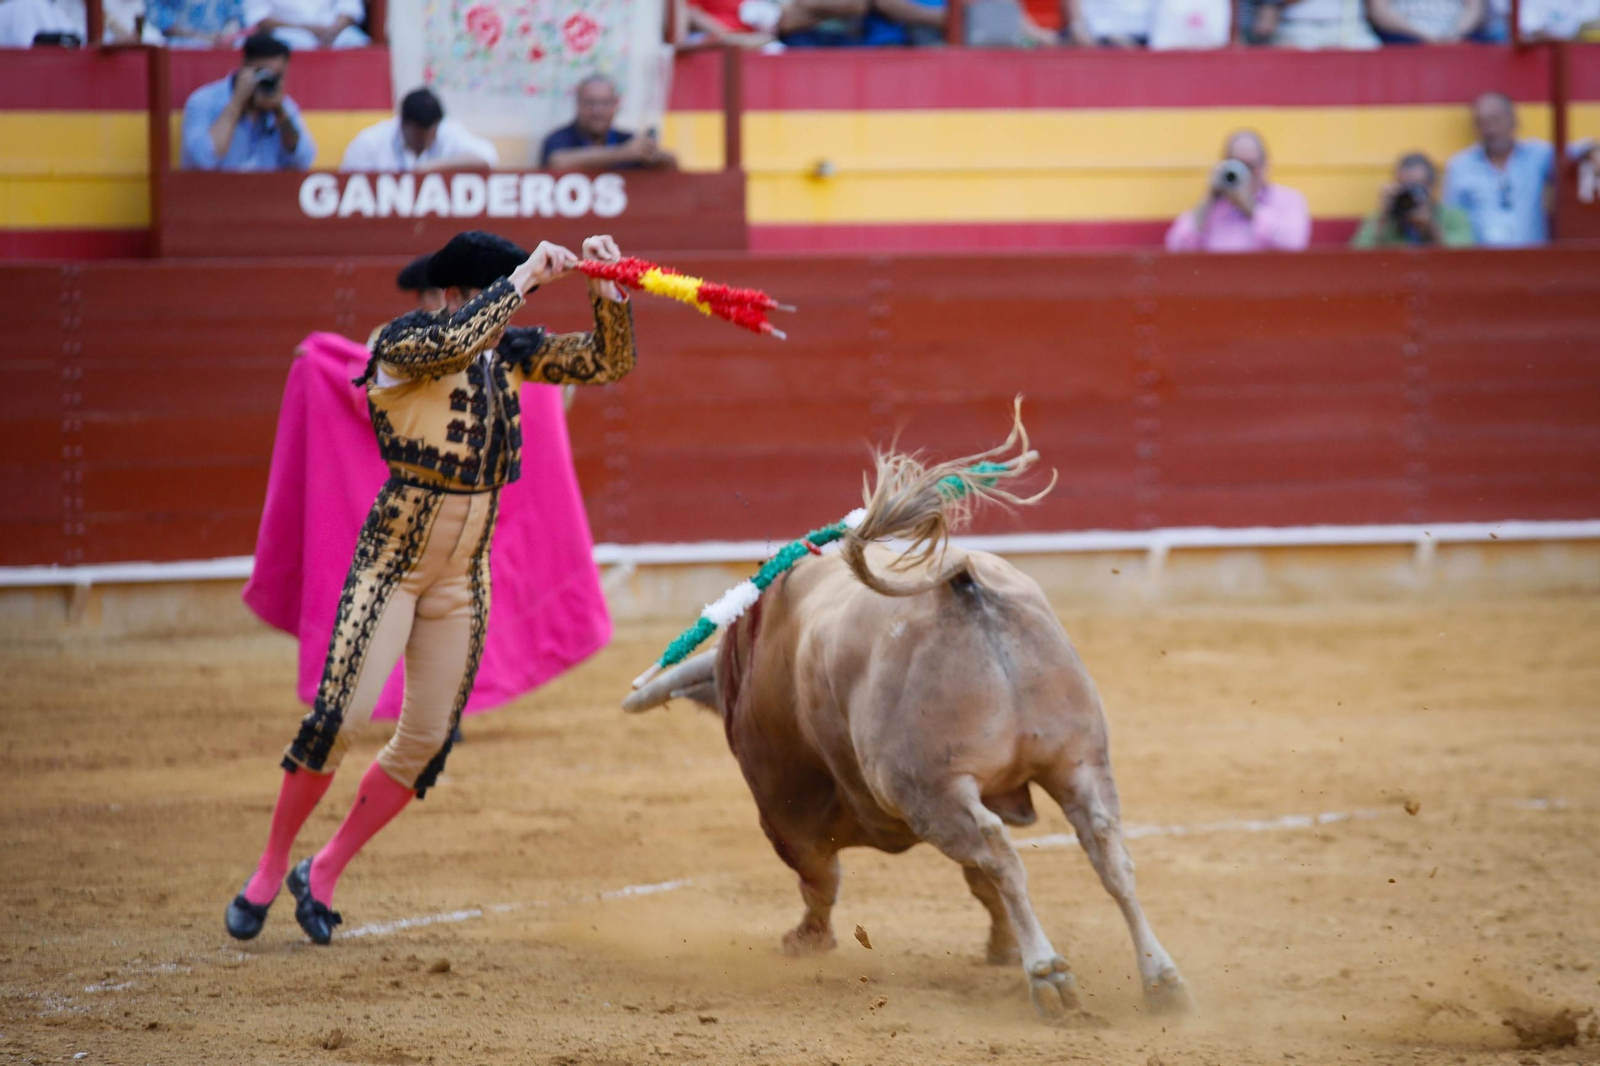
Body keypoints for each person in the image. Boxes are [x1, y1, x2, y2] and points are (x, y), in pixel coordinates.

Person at [224, 230, 636, 946]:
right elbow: (454, 343)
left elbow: (608, 363)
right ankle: (267, 868)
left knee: (427, 742)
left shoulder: (509, 352)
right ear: (452, 296)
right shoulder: (402, 342)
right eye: (490, 295)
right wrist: (521, 281)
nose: (505, 313)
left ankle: (322, 871)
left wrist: (609, 297)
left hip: (462, 579)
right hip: (391, 567)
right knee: (338, 721)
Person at [180, 33, 316, 172]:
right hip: (217, 185)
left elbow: (304, 161)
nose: (269, 81)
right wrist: (236, 103)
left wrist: (280, 112)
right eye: (264, 73)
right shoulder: (205, 101)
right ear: (245, 66)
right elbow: (202, 161)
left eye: (277, 76)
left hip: (265, 185)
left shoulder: (284, 106)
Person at [1165, 130, 1311, 253]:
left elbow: (1293, 244)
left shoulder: (1288, 200)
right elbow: (1176, 247)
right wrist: (1208, 199)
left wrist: (1249, 207)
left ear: (1264, 166)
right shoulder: (1213, 206)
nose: (1243, 172)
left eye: (1249, 165)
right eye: (1237, 164)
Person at [1443, 92, 1554, 248]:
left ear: (1513, 120)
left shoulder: (1537, 155)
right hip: (1481, 261)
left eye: (1495, 120)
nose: (1490, 129)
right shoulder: (1460, 166)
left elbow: (1578, 154)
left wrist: (1589, 153)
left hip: (1534, 258)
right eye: (1481, 122)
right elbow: (1452, 224)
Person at [341, 88, 499, 173]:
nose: (426, 142)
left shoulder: (447, 131)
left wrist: (430, 167)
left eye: (431, 135)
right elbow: (348, 183)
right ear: (402, 123)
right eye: (418, 137)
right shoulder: (370, 142)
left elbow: (487, 158)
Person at [540, 74, 678, 172]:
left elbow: (671, 164)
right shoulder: (558, 138)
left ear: (615, 105)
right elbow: (557, 163)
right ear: (578, 105)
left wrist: (653, 155)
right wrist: (623, 153)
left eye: (605, 103)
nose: (597, 111)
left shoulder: (627, 139)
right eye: (590, 103)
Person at [1350, 152, 1475, 249]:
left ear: (1432, 187)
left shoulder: (1453, 216)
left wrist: (1431, 228)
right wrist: (1383, 219)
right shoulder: (1382, 218)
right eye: (1404, 187)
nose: (1410, 195)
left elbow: (1464, 256)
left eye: (1416, 188)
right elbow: (1356, 255)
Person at [243, 0, 365, 47]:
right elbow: (259, 18)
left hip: (333, 30)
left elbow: (350, 7)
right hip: (288, 32)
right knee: (301, 42)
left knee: (355, 40)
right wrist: (307, 29)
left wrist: (334, 30)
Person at [1257, 0, 1380, 46]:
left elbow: (1379, 12)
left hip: (1351, 27)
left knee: (1369, 50)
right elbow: (1268, 12)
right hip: (1299, 28)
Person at [1366, 0, 1483, 41]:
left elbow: (1475, 10)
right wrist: (1423, 36)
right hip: (1404, 37)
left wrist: (1456, 34)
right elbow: (1379, 12)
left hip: (1458, 37)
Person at [144, 0, 243, 45]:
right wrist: (203, 37)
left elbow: (236, 15)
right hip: (178, 50)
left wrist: (228, 34)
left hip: (220, 51)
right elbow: (159, 16)